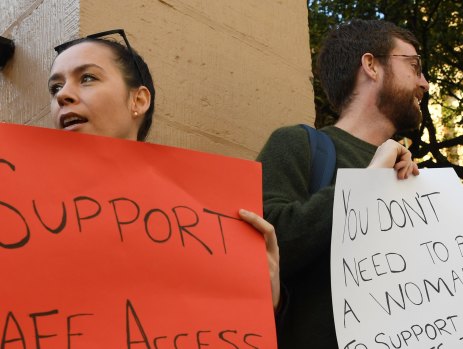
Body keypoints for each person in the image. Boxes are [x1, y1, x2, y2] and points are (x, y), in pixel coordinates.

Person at [47, 30, 281, 309]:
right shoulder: (25, 208)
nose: (63, 96)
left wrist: (266, 301)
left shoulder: (211, 216)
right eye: (55, 88)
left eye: (87, 78)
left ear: (138, 101)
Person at [257, 19, 428, 348]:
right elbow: (266, 244)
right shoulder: (298, 145)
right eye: (413, 66)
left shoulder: (410, 176)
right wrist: (366, 181)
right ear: (371, 66)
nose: (424, 83)